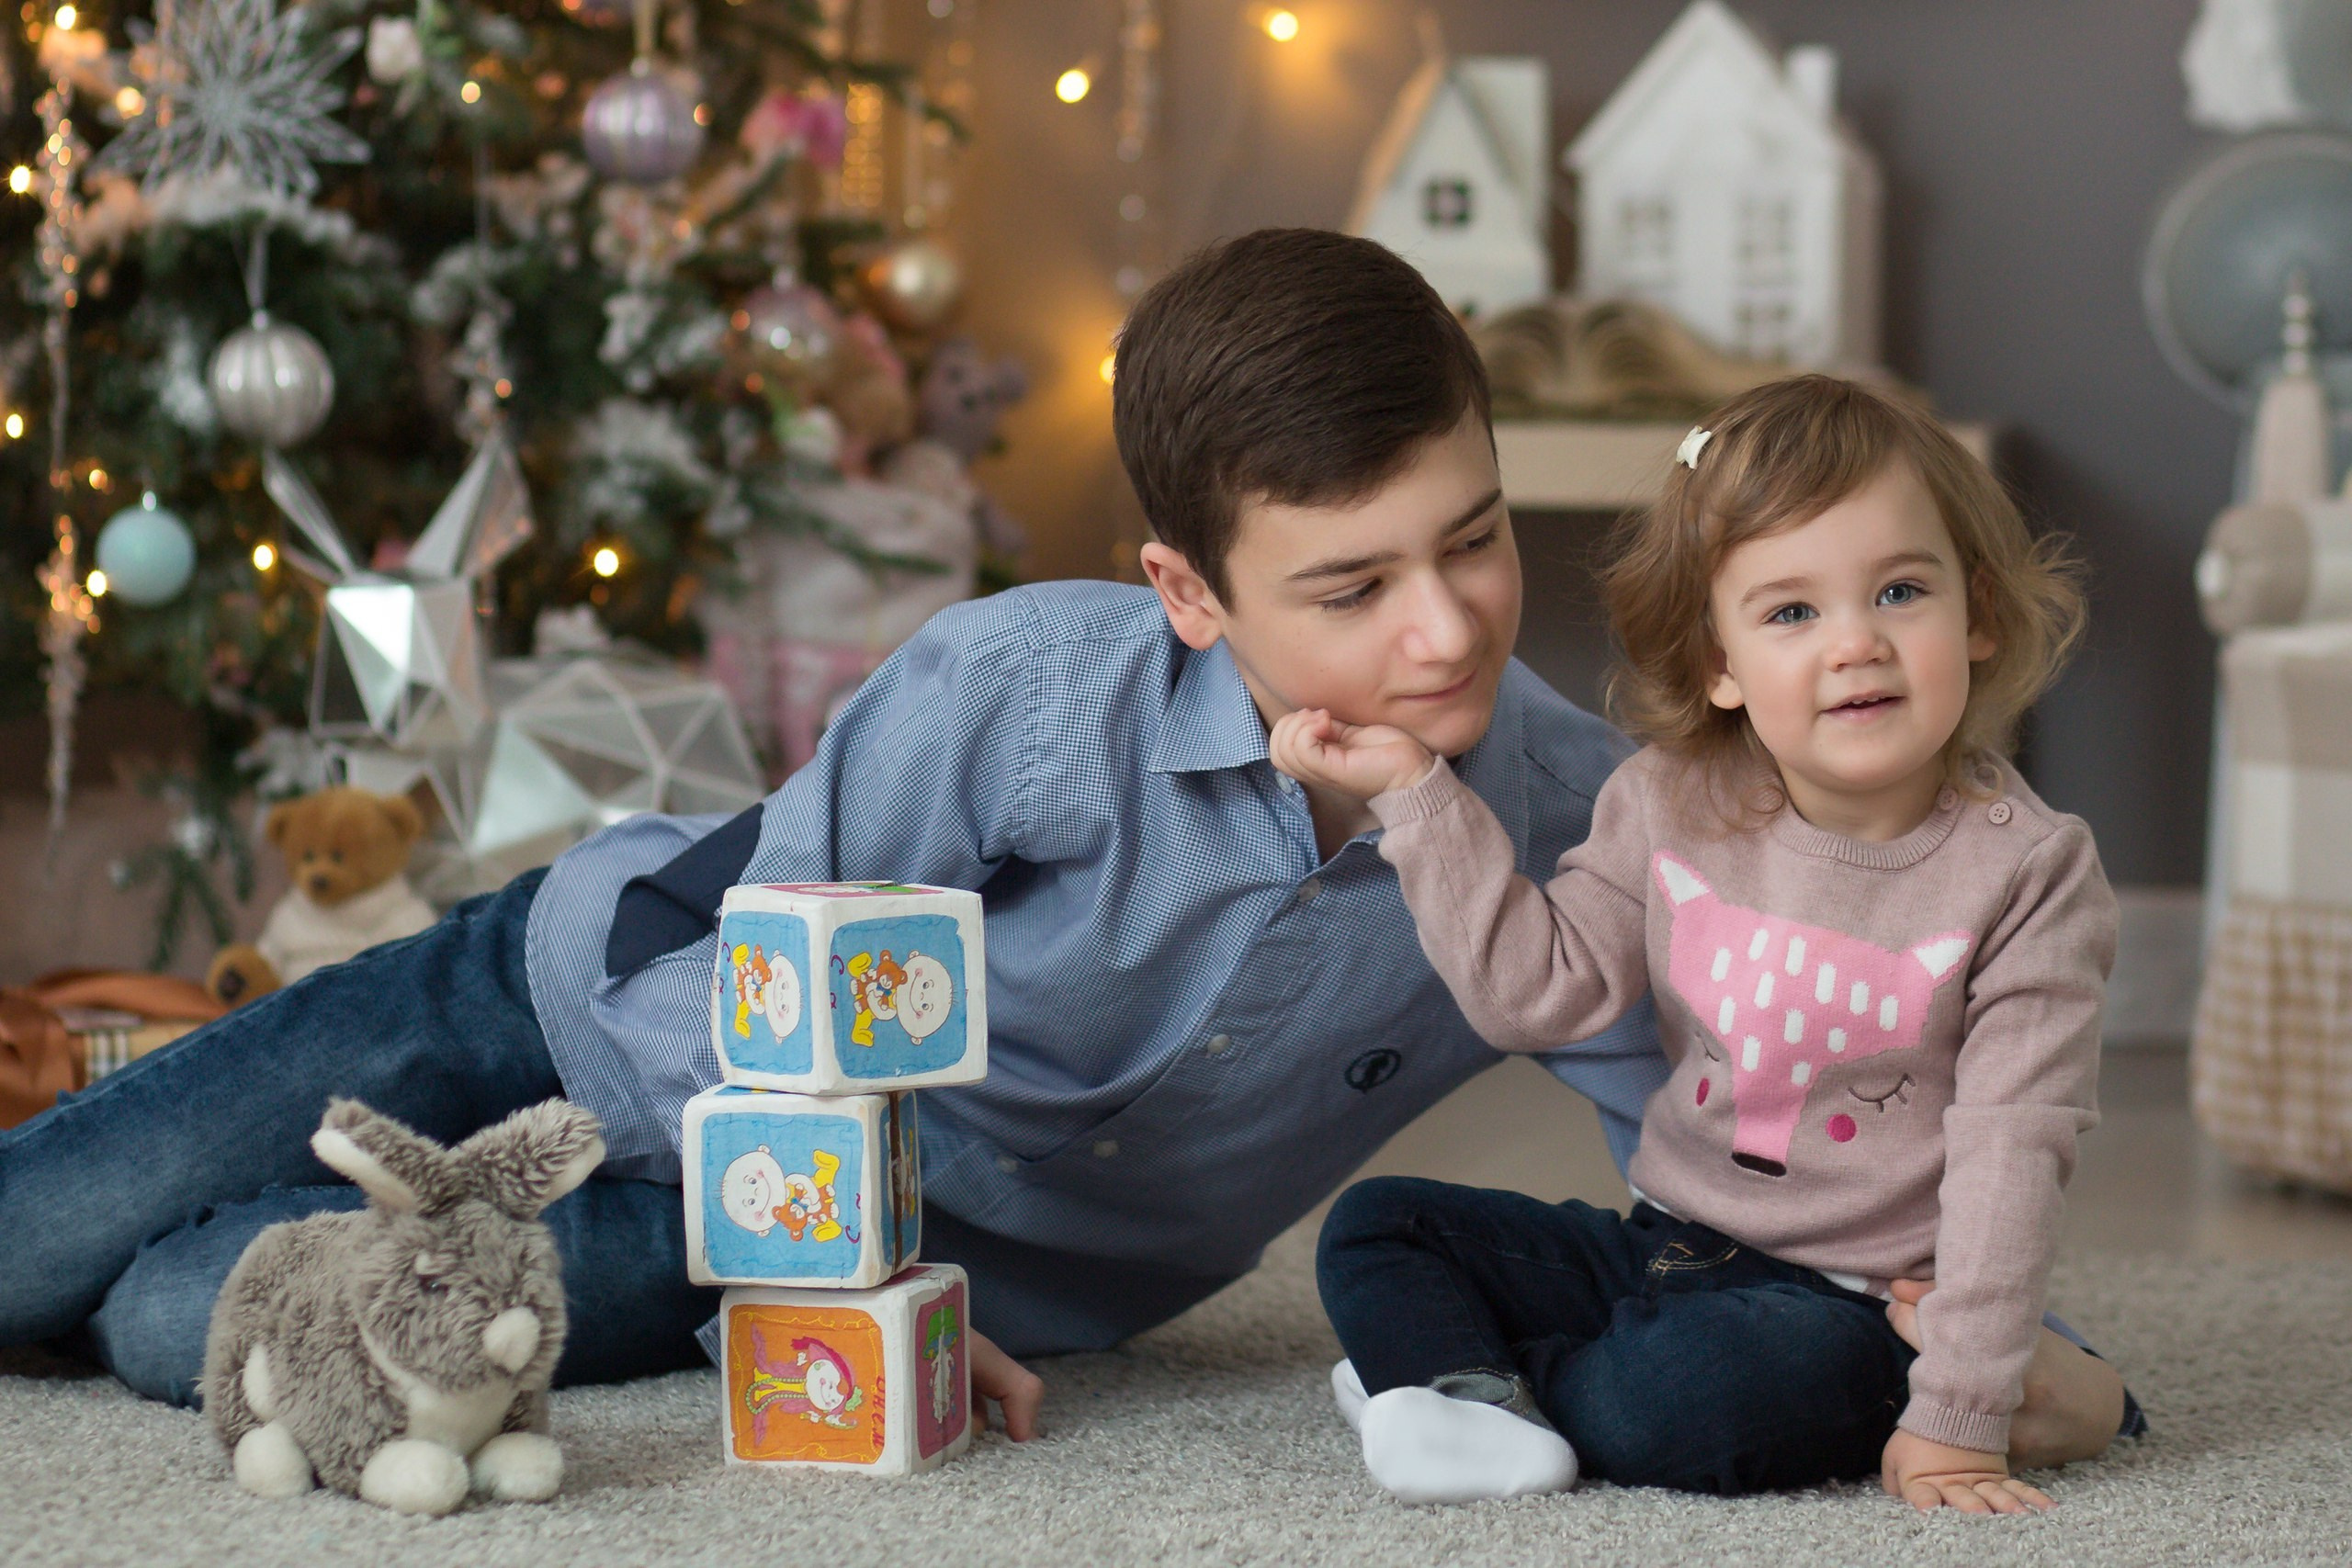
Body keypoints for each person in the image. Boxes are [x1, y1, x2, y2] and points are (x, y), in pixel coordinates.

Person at [0, 234, 2121, 1465]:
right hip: (580, 998)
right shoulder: (1033, 691)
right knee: (44, 1226)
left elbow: (1711, 1114)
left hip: (864, 1253)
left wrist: (1934, 1290)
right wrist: (823, 1238)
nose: (1443, 626)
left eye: (1470, 541)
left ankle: (286, 1206)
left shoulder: (1575, 810)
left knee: (181, 1311)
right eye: (1350, 582)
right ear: (1191, 591)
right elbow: (777, 941)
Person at [1274, 374, 2133, 1512]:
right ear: (1719, 661)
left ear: (1974, 614)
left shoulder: (2029, 869)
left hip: (1857, 1304)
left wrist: (1961, 1415)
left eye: (1899, 592)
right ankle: (1469, 1396)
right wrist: (1414, 797)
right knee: (1382, 1227)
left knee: (1681, 1403)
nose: (1855, 645)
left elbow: (2010, 1155)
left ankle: (1447, 1386)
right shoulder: (1666, 800)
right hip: (1667, 1243)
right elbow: (1537, 996)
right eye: (1790, 612)